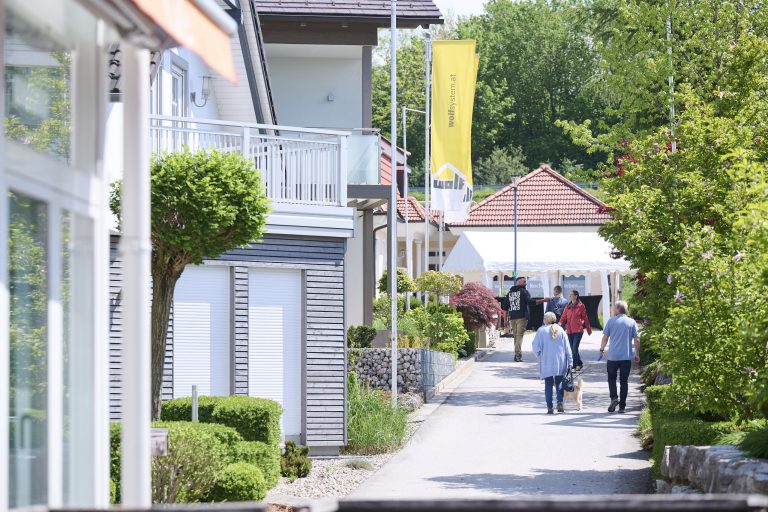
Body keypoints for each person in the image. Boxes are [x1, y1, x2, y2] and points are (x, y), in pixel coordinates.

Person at [599, 300, 640, 414]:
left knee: (611, 379)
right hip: (626, 357)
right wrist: (637, 354)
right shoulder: (631, 322)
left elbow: (605, 338)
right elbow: (637, 339)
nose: (613, 309)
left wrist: (601, 350)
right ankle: (622, 407)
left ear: (618, 309)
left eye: (614, 308)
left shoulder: (611, 321)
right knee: (624, 381)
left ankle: (614, 398)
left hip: (612, 357)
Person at [533, 311, 573, 414]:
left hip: (546, 361)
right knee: (559, 382)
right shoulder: (561, 330)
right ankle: (560, 402)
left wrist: (540, 355)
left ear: (546, 320)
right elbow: (567, 347)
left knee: (548, 384)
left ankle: (550, 407)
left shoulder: (541, 330)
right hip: (560, 361)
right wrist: (570, 361)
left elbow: (535, 347)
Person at [506, 277, 548, 362]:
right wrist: (544, 300)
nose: (526, 283)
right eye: (524, 281)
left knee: (516, 336)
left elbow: (504, 306)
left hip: (512, 317)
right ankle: (517, 355)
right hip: (522, 317)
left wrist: (507, 317)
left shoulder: (509, 293)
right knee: (519, 336)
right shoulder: (524, 291)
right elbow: (531, 302)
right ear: (519, 282)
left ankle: (517, 354)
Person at [559, 290, 592, 371]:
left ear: (576, 296)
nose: (570, 296)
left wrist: (588, 329)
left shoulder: (581, 306)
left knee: (574, 348)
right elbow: (563, 317)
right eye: (569, 295)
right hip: (569, 330)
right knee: (573, 348)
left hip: (578, 330)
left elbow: (585, 318)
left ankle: (573, 366)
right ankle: (579, 363)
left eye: (571, 295)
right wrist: (559, 325)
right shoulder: (568, 306)